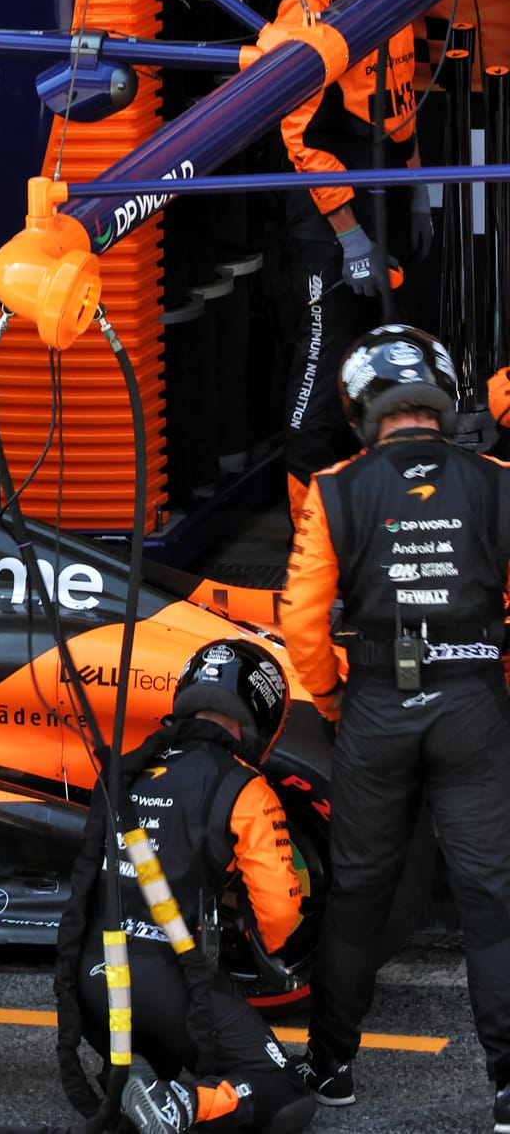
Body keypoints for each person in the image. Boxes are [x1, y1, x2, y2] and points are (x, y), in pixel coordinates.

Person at [280, 324, 510, 1129]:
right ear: (444, 395)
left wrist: (338, 701)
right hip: (476, 703)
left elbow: (302, 625)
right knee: (492, 896)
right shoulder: (499, 481)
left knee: (359, 896)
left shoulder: (334, 488)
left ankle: (333, 1065)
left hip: (378, 700)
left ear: (358, 403)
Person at [64, 641, 312, 1134]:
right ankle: (181, 1106)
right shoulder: (243, 785)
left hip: (89, 984)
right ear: (262, 718)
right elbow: (281, 916)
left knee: (190, 1046)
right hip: (164, 982)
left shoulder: (130, 768)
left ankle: (137, 1072)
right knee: (285, 1094)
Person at [275, 0, 426, 517]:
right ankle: (308, 550)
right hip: (334, 217)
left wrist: (417, 186)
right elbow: (297, 136)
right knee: (322, 372)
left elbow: (402, 91)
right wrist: (350, 233)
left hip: (387, 190)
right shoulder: (306, 4)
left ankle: (379, 520)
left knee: (390, 364)